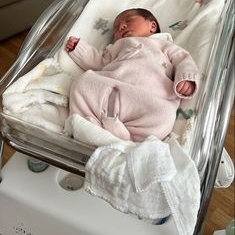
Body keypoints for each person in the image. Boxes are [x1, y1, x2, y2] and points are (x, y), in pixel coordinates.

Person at [65, 8, 199, 142]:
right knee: (81, 83)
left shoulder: (164, 45)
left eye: (128, 20)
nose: (121, 27)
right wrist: (79, 48)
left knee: (165, 115)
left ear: (152, 26)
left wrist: (186, 78)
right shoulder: (117, 47)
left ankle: (121, 138)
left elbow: (183, 60)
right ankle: (90, 126)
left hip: (149, 100)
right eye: (116, 28)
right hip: (113, 89)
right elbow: (98, 61)